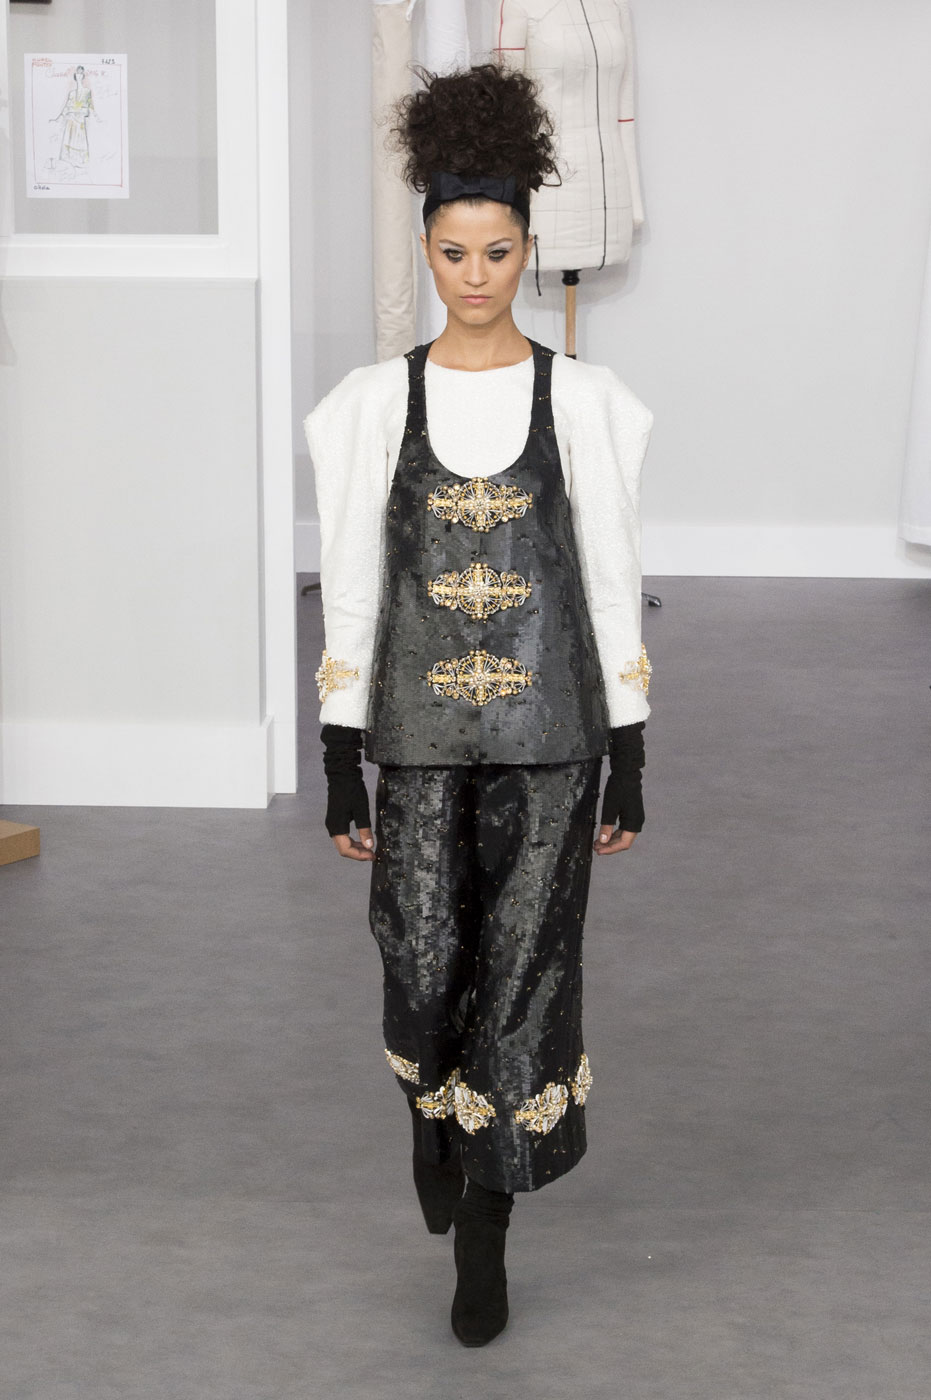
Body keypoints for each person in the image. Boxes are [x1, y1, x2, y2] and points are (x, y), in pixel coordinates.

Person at [303, 62, 653, 1348]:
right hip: (414, 738)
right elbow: (353, 579)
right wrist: (339, 749)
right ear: (426, 247)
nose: (475, 276)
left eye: (497, 252)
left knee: (520, 983)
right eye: (452, 252)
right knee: (419, 962)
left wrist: (630, 748)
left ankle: (487, 1237)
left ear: (525, 249)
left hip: (553, 740)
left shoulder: (586, 402)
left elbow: (609, 575)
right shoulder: (368, 405)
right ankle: (430, 1124)